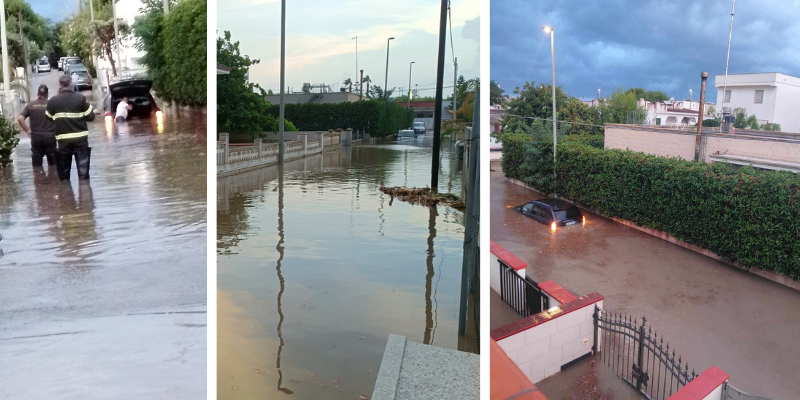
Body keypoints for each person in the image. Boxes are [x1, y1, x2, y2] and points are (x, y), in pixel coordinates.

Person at [46, 74, 95, 180]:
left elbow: (49, 118)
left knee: (64, 177)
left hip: (63, 141)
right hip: (81, 140)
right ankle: (85, 193)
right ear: (71, 84)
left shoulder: (53, 101)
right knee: (84, 176)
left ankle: (65, 194)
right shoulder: (80, 98)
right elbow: (91, 117)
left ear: (59, 85)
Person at [17, 85, 56, 167]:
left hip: (36, 138)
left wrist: (27, 130)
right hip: (50, 138)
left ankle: (38, 178)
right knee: (53, 166)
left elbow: (20, 118)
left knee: (37, 166)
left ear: (37, 93)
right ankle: (53, 178)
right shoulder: (52, 105)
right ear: (47, 94)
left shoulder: (30, 105)